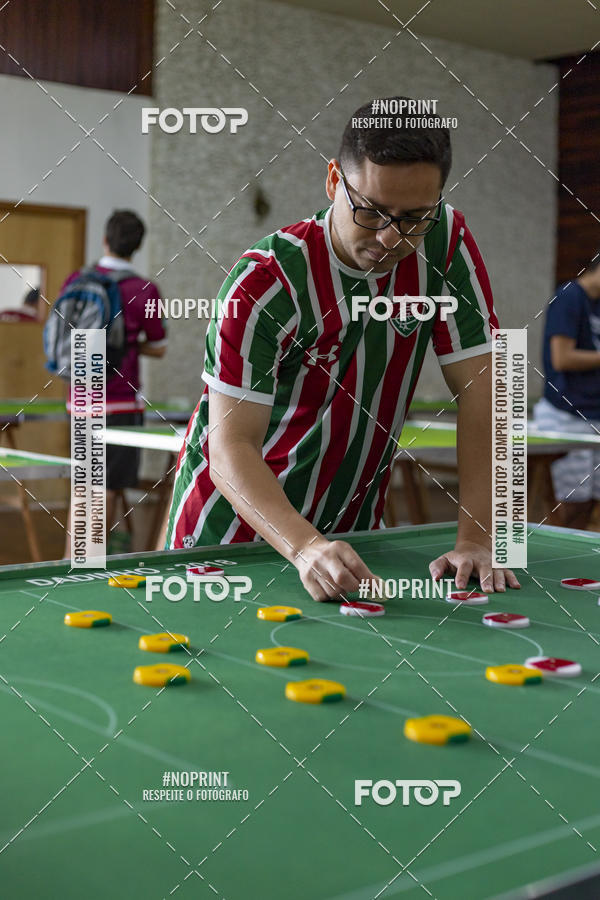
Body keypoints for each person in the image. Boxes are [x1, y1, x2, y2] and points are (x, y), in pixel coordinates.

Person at [166, 97, 519, 600]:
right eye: (372, 211)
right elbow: (229, 448)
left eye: (415, 216)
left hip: (350, 539)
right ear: (334, 181)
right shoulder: (264, 283)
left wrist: (479, 538)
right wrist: (306, 547)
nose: (391, 237)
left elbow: (486, 391)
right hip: (228, 543)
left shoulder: (445, 246)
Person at [61, 210, 167, 556]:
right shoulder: (144, 289)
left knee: (84, 480)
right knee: (105, 485)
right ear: (136, 247)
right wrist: (132, 342)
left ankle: (72, 558)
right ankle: (89, 560)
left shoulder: (76, 280)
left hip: (79, 399)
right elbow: (160, 346)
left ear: (105, 239)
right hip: (120, 401)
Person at [533, 259, 600, 529]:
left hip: (594, 414)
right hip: (566, 416)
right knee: (571, 505)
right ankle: (557, 568)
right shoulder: (569, 296)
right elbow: (561, 358)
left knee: (591, 503)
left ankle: (580, 567)